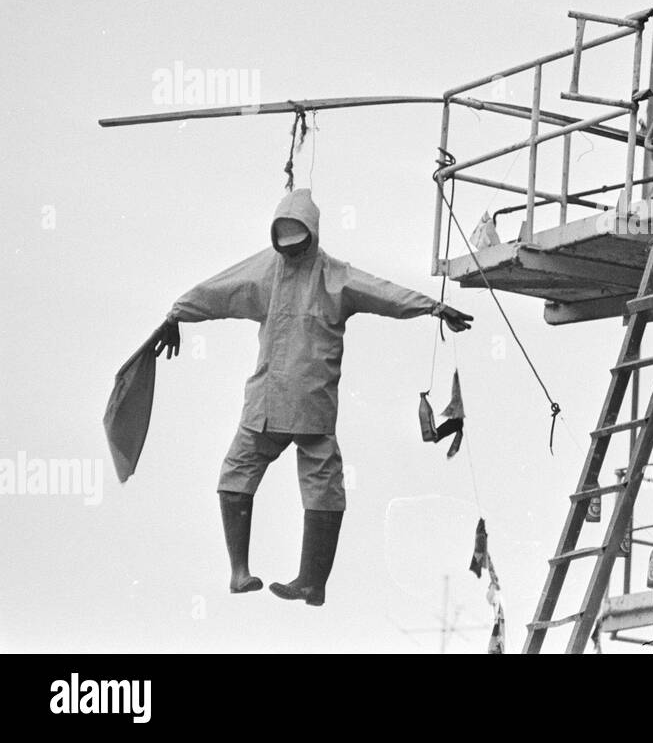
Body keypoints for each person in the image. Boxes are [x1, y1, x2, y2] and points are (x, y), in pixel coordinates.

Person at [153, 189, 472, 606]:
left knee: (253, 475)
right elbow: (218, 291)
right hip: (287, 403)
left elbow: (383, 292)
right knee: (294, 482)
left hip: (289, 405)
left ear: (312, 236)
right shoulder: (282, 272)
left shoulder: (327, 276)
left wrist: (431, 307)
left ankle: (295, 579)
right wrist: (178, 313)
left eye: (296, 243)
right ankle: (261, 575)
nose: (289, 252)